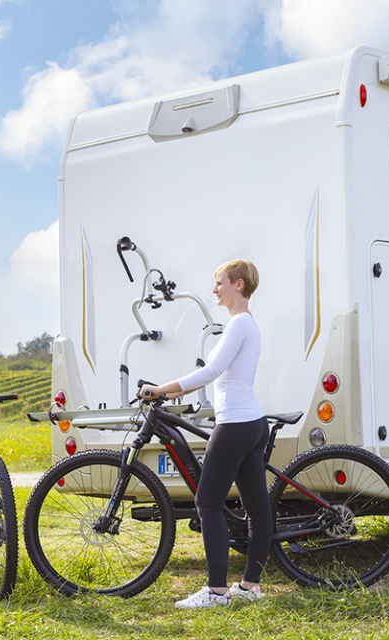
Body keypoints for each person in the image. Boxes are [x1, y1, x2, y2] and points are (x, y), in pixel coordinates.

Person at [140, 259, 271, 609]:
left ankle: (216, 592)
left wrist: (162, 389)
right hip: (253, 423)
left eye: (220, 283)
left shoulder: (238, 324)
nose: (215, 289)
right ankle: (250, 586)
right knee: (257, 509)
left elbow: (212, 370)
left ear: (238, 285)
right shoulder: (246, 324)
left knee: (207, 503)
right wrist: (171, 390)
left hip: (235, 425)